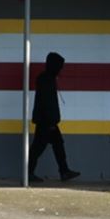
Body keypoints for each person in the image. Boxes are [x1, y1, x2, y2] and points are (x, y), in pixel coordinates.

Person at [28, 49, 79, 182]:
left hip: (47, 121)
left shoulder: (45, 78)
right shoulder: (47, 80)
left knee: (56, 145)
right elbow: (47, 102)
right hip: (47, 122)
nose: (60, 70)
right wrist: (51, 122)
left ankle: (64, 171)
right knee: (38, 148)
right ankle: (29, 173)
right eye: (59, 67)